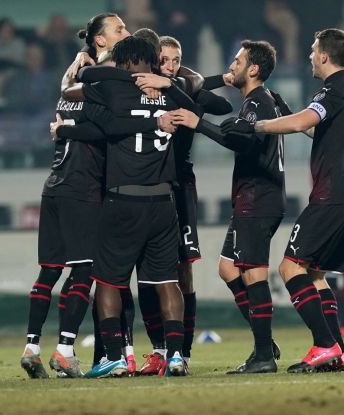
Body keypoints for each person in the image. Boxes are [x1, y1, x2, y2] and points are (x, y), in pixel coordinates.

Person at [222, 28, 344, 373]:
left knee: (290, 268)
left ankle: (323, 345)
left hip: (333, 196)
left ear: (323, 55)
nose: (309, 56)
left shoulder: (333, 89)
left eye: (313, 50)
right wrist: (287, 114)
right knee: (316, 275)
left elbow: (306, 120)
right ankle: (339, 351)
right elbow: (318, 128)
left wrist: (257, 126)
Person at [62, 36, 198, 378]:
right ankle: (177, 356)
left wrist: (96, 68)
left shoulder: (113, 90)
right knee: (168, 281)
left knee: (108, 281)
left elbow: (76, 87)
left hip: (123, 199)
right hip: (163, 202)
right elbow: (200, 96)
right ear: (151, 61)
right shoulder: (170, 92)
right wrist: (165, 83)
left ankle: (114, 357)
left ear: (121, 63)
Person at [19, 13, 131, 379]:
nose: (126, 33)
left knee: (49, 270)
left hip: (54, 186)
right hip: (82, 189)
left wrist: (64, 124)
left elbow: (69, 110)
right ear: (100, 41)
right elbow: (102, 129)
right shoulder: (100, 84)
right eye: (119, 30)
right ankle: (65, 349)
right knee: (84, 270)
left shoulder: (73, 79)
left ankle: (31, 347)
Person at [170, 39, 286, 374]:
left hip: (258, 198)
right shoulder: (267, 99)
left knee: (253, 272)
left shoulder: (257, 102)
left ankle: (263, 354)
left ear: (253, 69)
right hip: (253, 197)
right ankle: (264, 343)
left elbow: (240, 140)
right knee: (228, 268)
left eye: (237, 61)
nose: (231, 66)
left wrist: (198, 123)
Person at [134, 35, 232, 376]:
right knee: (146, 271)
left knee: (183, 268)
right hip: (146, 185)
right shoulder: (138, 91)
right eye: (165, 59)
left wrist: (176, 84)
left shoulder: (183, 89)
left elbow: (222, 107)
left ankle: (183, 352)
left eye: (177, 60)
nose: (171, 65)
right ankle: (159, 350)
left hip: (180, 185)